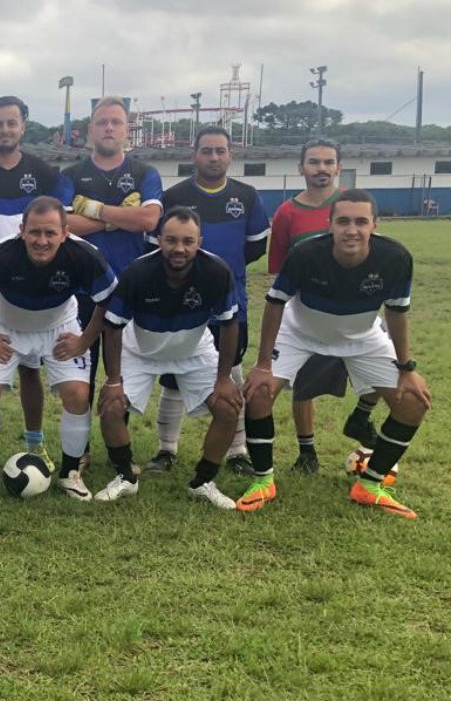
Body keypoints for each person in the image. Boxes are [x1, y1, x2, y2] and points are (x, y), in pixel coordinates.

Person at [240, 190, 431, 519]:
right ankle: (262, 482)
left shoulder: (396, 257)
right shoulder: (306, 253)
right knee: (258, 392)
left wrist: (406, 367)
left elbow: (397, 313)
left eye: (361, 221)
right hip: (300, 332)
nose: (351, 230)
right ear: (330, 225)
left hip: (363, 336)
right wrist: (262, 365)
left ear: (375, 224)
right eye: (343, 221)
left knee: (413, 401)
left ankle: (369, 486)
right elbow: (274, 303)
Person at [0, 196, 115, 499]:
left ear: (65, 233)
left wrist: (84, 340)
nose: (42, 241)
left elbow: (109, 300)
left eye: (50, 233)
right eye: (35, 232)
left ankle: (70, 473)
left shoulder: (84, 255)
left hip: (59, 328)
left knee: (78, 394)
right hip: (6, 327)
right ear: (21, 230)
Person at [94, 207, 242, 509]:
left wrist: (224, 378)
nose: (179, 248)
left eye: (188, 241)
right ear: (158, 239)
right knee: (110, 406)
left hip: (193, 350)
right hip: (141, 350)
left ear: (199, 241)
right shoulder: (138, 272)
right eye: (171, 240)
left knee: (228, 407)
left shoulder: (217, 271)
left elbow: (229, 323)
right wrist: (113, 380)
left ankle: (203, 481)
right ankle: (125, 476)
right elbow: (112, 326)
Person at [143, 127, 268, 476]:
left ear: (231, 155)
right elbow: (157, 247)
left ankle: (238, 451)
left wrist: (222, 275)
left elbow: (256, 246)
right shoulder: (175, 196)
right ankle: (167, 450)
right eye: (206, 151)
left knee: (232, 371)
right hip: (182, 304)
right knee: (174, 376)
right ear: (194, 155)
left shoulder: (246, 195)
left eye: (220, 151)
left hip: (231, 300)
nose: (214, 157)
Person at [59, 96, 163, 469]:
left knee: (124, 373)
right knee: (82, 370)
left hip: (129, 286)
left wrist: (94, 209)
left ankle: (120, 449)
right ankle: (80, 448)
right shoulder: (70, 175)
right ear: (90, 130)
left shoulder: (144, 173)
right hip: (81, 286)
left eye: (115, 122)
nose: (108, 128)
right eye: (101, 122)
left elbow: (149, 221)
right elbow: (65, 224)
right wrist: (121, 216)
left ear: (126, 129)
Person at [266, 138, 380, 473]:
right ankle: (307, 452)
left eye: (329, 162)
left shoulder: (352, 207)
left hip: (359, 310)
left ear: (339, 167)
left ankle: (361, 417)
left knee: (387, 372)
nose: (321, 168)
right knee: (304, 383)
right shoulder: (287, 213)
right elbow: (278, 268)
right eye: (314, 162)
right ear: (301, 168)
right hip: (308, 312)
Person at [0, 95, 62, 469]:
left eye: (12, 122)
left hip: (28, 287)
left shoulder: (43, 172)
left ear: (24, 125)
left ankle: (35, 442)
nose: (5, 129)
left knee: (29, 367)